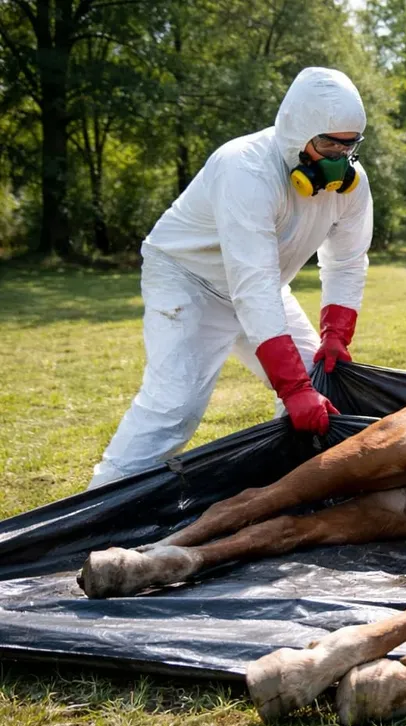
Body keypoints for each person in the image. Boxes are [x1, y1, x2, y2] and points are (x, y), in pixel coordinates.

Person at [89, 67, 373, 489]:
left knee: (320, 384)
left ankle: (285, 491)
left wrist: (335, 334)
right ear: (297, 134)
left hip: (262, 288)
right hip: (189, 280)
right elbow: (252, 282)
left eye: (348, 145)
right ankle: (99, 508)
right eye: (328, 143)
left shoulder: (353, 185)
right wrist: (292, 388)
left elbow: (346, 260)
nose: (338, 158)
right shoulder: (245, 168)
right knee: (175, 406)